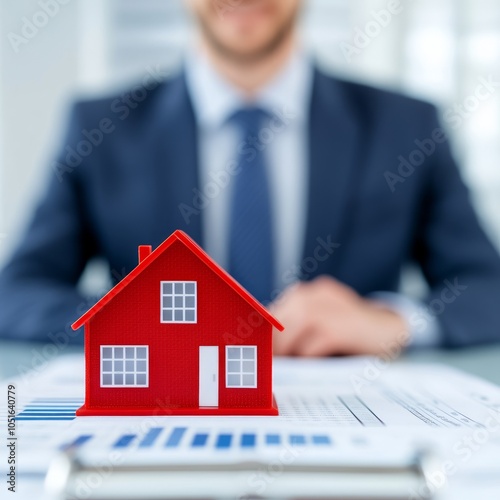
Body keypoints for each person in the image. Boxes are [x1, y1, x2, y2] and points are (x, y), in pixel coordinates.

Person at [1, 0, 500, 355]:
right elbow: (17, 291)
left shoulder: (406, 126)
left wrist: (396, 324)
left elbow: (487, 287)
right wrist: (145, 329)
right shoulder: (101, 128)